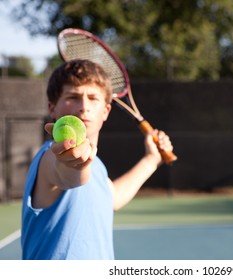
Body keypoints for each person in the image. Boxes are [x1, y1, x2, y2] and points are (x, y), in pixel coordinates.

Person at [21, 59, 174, 260]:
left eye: (93, 97)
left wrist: (151, 160)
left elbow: (113, 198)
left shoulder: (98, 166)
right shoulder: (50, 157)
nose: (84, 106)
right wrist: (76, 163)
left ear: (106, 111)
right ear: (52, 108)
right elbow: (69, 176)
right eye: (73, 96)